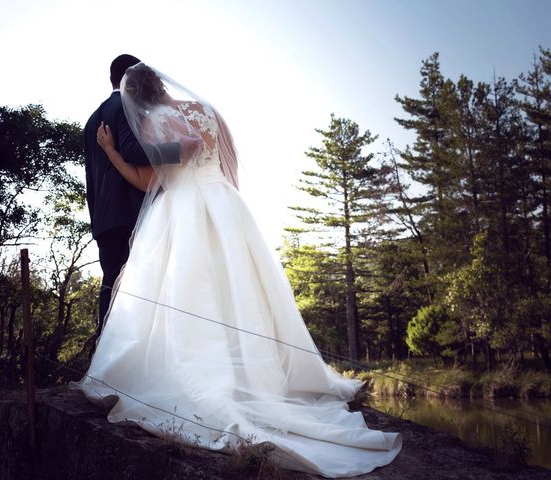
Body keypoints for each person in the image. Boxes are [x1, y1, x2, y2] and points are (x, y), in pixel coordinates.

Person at [70, 63, 401, 478]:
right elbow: (228, 161)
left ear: (136, 96)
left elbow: (145, 179)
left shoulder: (156, 120)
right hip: (225, 201)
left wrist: (113, 152)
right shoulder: (206, 108)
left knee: (190, 294)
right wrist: (228, 204)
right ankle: (264, 374)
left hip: (185, 207)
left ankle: (212, 380)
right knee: (240, 290)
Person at [83, 54, 182, 333]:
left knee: (111, 285)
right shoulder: (125, 107)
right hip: (130, 213)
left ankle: (105, 351)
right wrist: (180, 151)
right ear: (132, 79)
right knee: (140, 288)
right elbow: (133, 151)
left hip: (103, 219)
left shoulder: (93, 119)